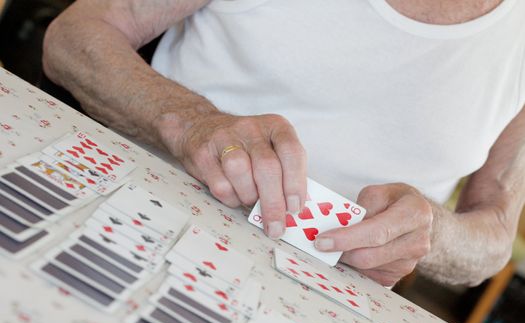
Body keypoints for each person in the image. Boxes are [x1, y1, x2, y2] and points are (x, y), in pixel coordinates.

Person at [42, 0, 525, 287]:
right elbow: (75, 37)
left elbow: (497, 232)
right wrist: (193, 124)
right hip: (130, 230)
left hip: (319, 316)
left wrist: (434, 235)